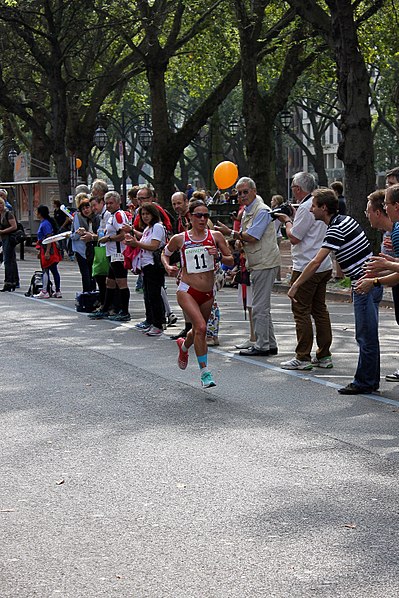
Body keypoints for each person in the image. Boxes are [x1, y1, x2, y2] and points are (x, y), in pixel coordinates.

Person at [288, 188, 381, 395]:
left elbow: (315, 262)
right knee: (368, 336)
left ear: (323, 208)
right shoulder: (344, 221)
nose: (311, 209)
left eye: (314, 206)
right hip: (367, 282)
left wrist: (296, 285)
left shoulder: (336, 228)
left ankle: (364, 382)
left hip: (364, 284)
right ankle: (370, 379)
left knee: (365, 337)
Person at [162, 200, 233, 388]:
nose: (203, 219)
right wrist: (168, 266)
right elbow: (165, 253)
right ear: (190, 217)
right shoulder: (180, 238)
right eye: (199, 215)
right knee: (201, 327)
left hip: (208, 292)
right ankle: (205, 372)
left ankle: (184, 346)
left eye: (206, 215)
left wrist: (218, 255)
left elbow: (231, 260)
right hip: (187, 290)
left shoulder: (215, 236)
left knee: (197, 330)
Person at [215, 177, 280, 357]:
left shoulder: (262, 210)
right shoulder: (247, 211)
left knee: (259, 306)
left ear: (254, 190)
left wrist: (233, 234)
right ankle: (269, 343)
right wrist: (239, 242)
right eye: (239, 193)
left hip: (265, 262)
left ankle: (262, 345)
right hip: (258, 261)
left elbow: (253, 236)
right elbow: (247, 238)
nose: (242, 196)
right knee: (261, 306)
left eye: (245, 192)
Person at [280, 172, 333, 370]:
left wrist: (286, 220)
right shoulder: (317, 205)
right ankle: (324, 354)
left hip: (306, 265)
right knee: (320, 310)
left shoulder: (305, 207)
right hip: (323, 263)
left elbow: (295, 237)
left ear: (298, 188)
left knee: (301, 310)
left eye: (293, 186)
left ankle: (302, 356)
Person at [356, 184, 399, 382]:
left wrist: (374, 280)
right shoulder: (390, 233)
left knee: (366, 336)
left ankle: (366, 380)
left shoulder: (395, 233)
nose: (366, 215)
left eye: (388, 204)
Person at [125, 203, 167, 336]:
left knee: (154, 295)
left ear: (154, 214)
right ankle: (153, 321)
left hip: (154, 265)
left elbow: (154, 246)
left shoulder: (157, 227)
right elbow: (145, 240)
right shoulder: (149, 228)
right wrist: (133, 234)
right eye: (143, 214)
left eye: (147, 214)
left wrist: (136, 243)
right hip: (146, 266)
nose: (145, 217)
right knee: (149, 295)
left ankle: (158, 324)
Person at [88, 191, 130, 321]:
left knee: (121, 283)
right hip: (112, 253)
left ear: (118, 202)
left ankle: (124, 311)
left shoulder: (119, 215)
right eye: (107, 203)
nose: (109, 205)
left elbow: (123, 234)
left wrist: (109, 238)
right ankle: (105, 309)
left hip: (119, 254)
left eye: (111, 203)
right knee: (109, 282)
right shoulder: (111, 215)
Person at [71, 197, 99, 292]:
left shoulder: (96, 218)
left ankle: (93, 293)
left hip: (93, 249)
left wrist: (91, 235)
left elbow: (100, 234)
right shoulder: (78, 218)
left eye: (88, 207)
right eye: (83, 209)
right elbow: (73, 236)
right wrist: (79, 233)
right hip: (81, 250)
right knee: (85, 274)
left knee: (93, 273)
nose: (86, 210)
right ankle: (87, 294)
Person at [35, 205, 62, 298]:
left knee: (45, 269)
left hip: (48, 248)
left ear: (40, 213)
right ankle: (57, 291)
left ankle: (45, 291)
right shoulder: (45, 222)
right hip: (47, 248)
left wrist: (46, 252)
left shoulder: (45, 224)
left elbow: (49, 237)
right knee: (54, 270)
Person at [0, 197, 19, 292]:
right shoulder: (1, 214)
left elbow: (14, 226)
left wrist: (3, 231)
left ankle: (9, 282)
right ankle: (12, 281)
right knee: (9, 260)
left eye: (1, 204)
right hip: (3, 238)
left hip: (9, 238)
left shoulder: (8, 213)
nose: (0, 206)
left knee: (8, 260)